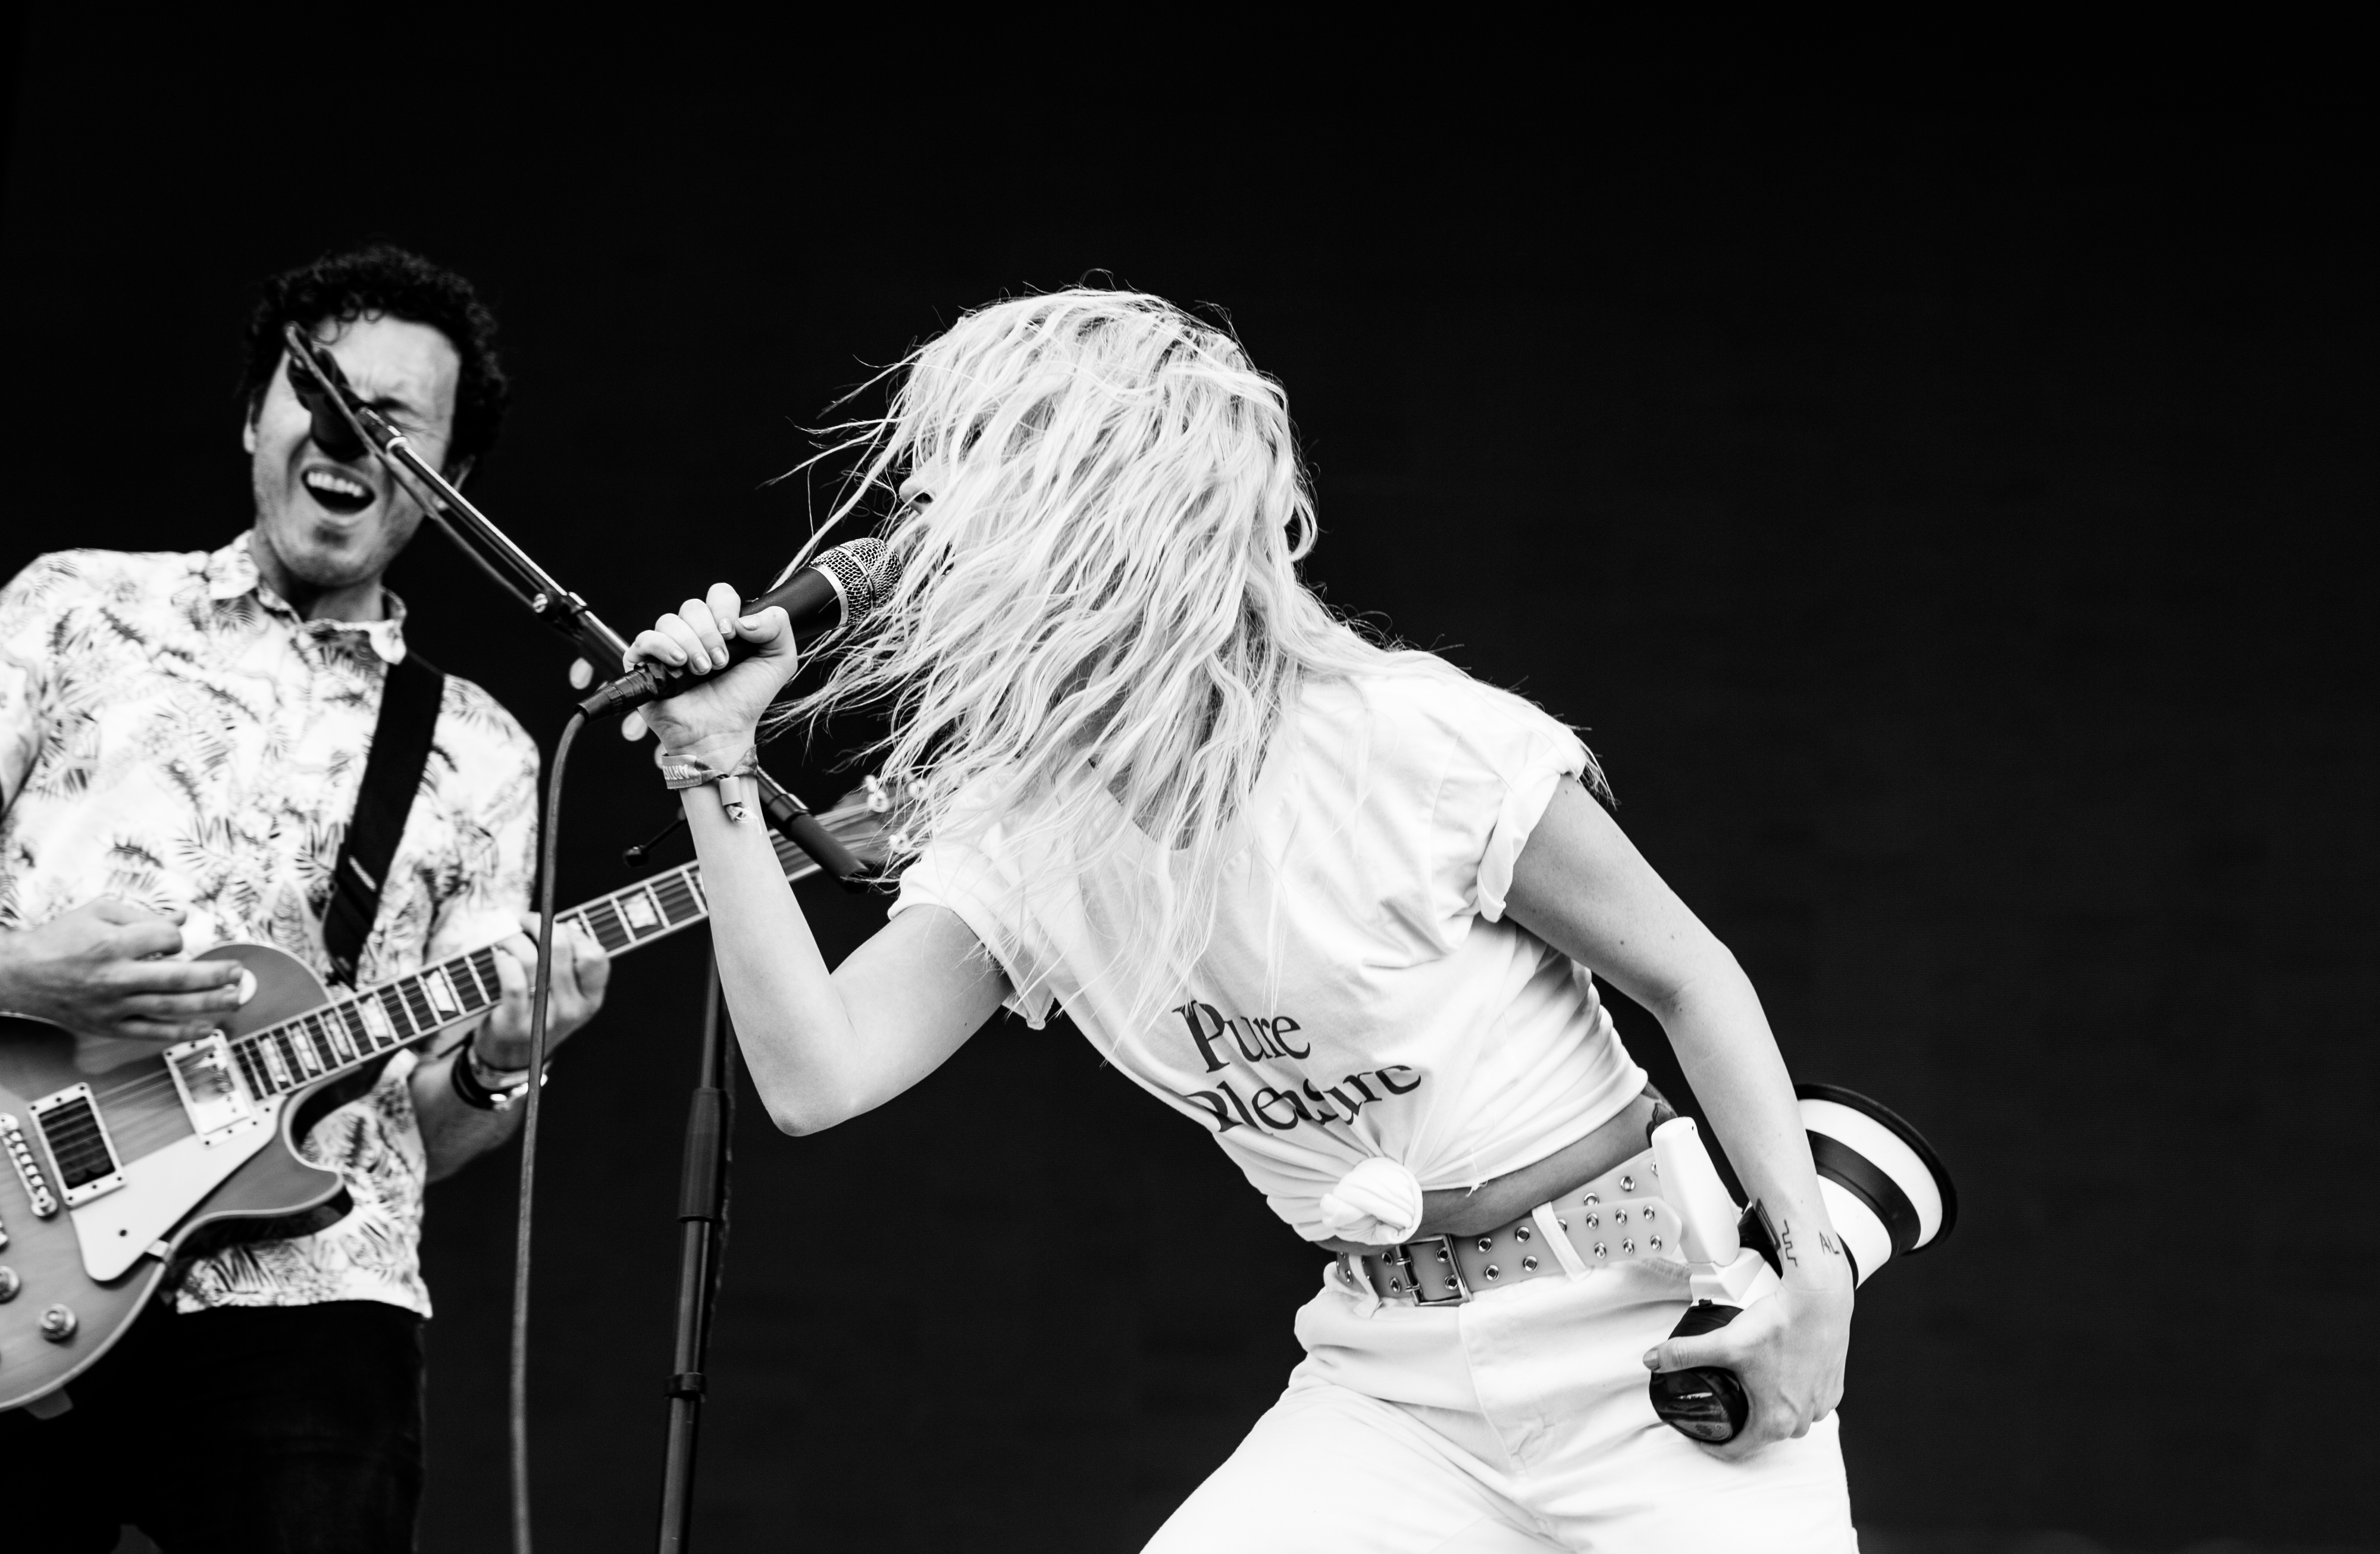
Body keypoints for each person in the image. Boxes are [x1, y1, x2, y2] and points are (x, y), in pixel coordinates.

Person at [625, 289, 1857, 1552]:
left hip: (1649, 1339)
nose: (931, 519)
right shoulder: (1023, 829)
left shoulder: (1407, 741)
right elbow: (817, 1074)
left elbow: (1690, 977)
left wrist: (1812, 1275)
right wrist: (712, 762)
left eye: (983, 472)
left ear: (1116, 508)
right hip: (1393, 1383)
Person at [0, 243, 608, 1553]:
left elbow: (423, 1135)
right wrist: (21, 972)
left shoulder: (483, 753)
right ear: (255, 417)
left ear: (452, 483)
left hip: (311, 1303)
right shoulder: (74, 607)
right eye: (324, 396)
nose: (350, 437)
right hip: (5, 1242)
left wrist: (498, 1066)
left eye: (396, 422)